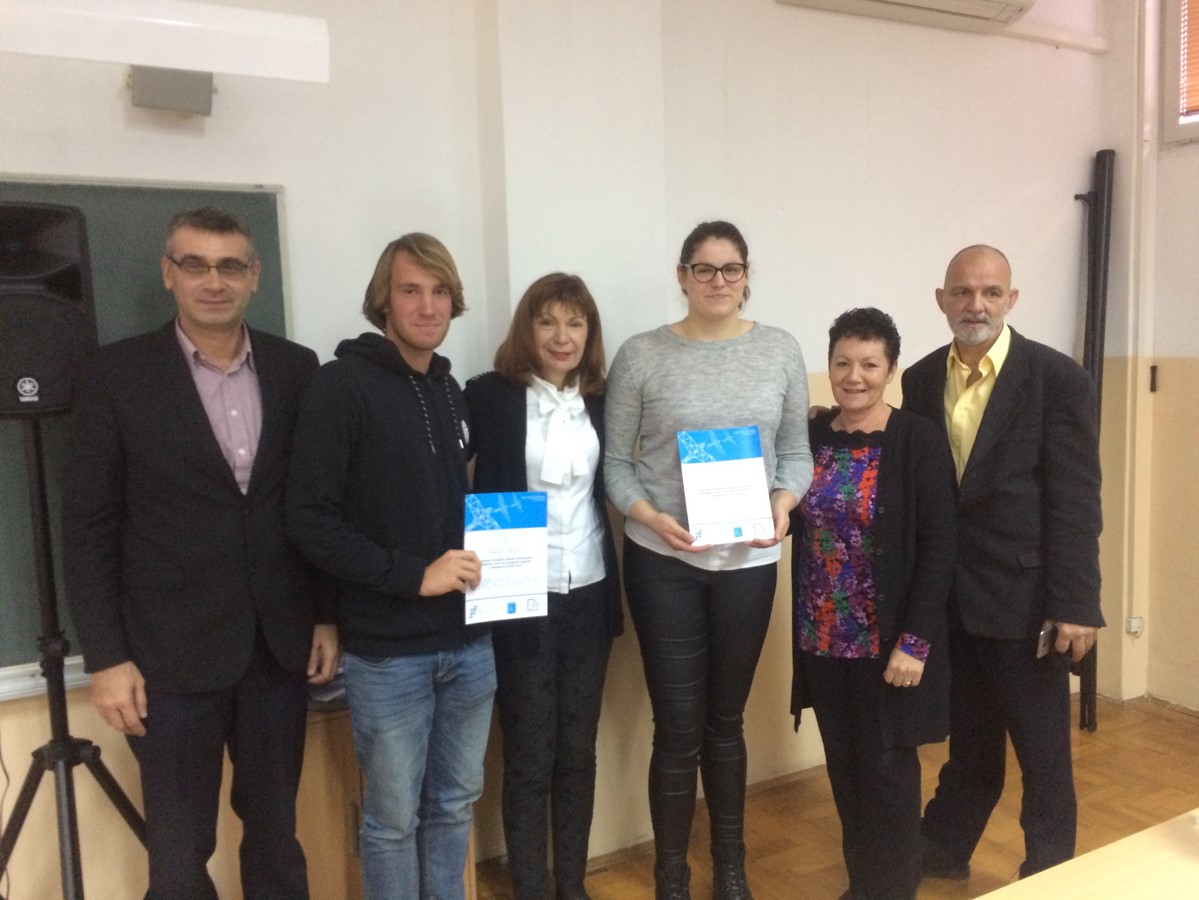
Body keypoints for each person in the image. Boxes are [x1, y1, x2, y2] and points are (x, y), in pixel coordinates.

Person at [62, 206, 339, 900]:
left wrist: (324, 614)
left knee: (275, 833)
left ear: (254, 275)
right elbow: (89, 525)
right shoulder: (114, 375)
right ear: (168, 273)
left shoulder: (296, 368)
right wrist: (106, 658)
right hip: (166, 659)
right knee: (181, 852)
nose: (213, 281)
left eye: (229, 266)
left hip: (276, 648)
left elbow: (313, 507)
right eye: (195, 264)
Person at [605, 220, 813, 900]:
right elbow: (616, 466)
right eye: (703, 268)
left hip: (746, 567)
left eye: (730, 269)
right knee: (676, 729)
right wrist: (648, 517)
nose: (717, 281)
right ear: (682, 275)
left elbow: (796, 452)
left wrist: (783, 503)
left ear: (746, 275)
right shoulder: (641, 355)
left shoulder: (779, 349)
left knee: (725, 724)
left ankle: (730, 867)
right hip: (662, 564)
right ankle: (671, 875)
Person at [285, 233, 494, 900]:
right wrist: (414, 576)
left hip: (470, 643)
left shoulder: (451, 390)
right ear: (384, 300)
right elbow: (310, 520)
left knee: (454, 804)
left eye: (439, 291)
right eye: (410, 290)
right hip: (387, 652)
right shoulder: (339, 386)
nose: (427, 306)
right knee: (391, 822)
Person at [904, 245, 1104, 880]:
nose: (976, 305)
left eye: (991, 292)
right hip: (953, 600)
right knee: (970, 740)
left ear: (1011, 299)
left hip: (1028, 601)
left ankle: (1049, 871)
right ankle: (944, 847)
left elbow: (1076, 500)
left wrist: (1076, 603)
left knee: (1043, 755)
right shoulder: (920, 379)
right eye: (963, 292)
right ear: (942, 299)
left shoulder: (1057, 379)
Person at [464, 272, 623, 900]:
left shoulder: (603, 401)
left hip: (588, 590)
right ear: (527, 329)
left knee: (577, 751)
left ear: (589, 333)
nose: (562, 336)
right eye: (548, 321)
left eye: (575, 323)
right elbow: (435, 472)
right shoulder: (488, 396)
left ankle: (573, 885)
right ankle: (530, 887)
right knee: (529, 753)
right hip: (517, 595)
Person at [790, 308, 956, 900]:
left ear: (891, 369)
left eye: (869, 364)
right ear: (829, 366)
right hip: (821, 640)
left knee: (887, 774)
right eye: (842, 363)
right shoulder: (813, 438)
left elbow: (940, 546)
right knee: (845, 770)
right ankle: (864, 885)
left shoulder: (917, 440)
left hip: (887, 647)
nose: (854, 376)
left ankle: (892, 889)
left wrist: (916, 641)